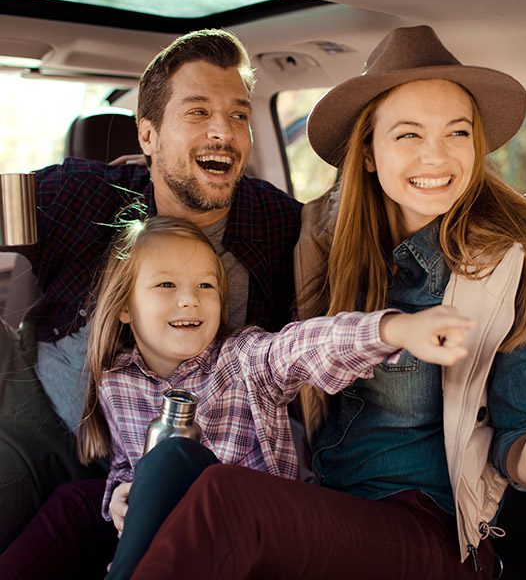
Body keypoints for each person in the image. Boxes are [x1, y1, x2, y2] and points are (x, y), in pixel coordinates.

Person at [122, 25, 526, 580]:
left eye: (457, 133)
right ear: (368, 153)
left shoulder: (509, 261)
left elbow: (520, 426)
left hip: (431, 529)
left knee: (226, 498)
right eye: (409, 135)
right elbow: (280, 366)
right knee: (172, 462)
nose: (436, 156)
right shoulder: (324, 239)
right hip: (327, 500)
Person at [0, 28, 301, 577]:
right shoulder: (83, 194)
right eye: (198, 112)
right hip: (50, 424)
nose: (223, 132)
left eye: (239, 114)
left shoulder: (275, 220)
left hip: (177, 456)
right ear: (148, 134)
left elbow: (349, 228)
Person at [72, 214, 474, 579]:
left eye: (205, 285)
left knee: (175, 455)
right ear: (124, 305)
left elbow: (303, 345)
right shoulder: (117, 382)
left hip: (254, 550)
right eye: (166, 284)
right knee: (139, 474)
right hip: (178, 552)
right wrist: (122, 495)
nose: (189, 299)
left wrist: (393, 332)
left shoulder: (243, 360)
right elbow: (126, 464)